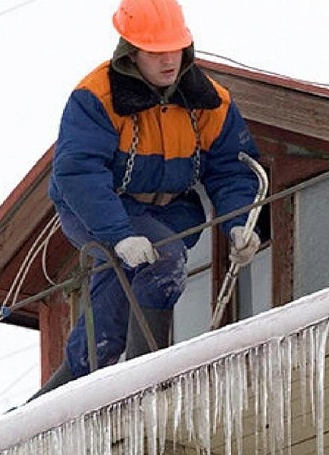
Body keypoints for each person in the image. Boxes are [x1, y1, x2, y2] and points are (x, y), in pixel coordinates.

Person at [29, 0, 261, 401]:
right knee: (162, 259)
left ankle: (38, 414)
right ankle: (145, 382)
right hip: (99, 209)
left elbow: (232, 169)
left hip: (168, 211)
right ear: (131, 50)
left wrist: (239, 223)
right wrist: (118, 234)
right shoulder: (95, 96)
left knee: (103, 337)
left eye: (176, 47)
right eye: (156, 51)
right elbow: (78, 172)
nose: (169, 59)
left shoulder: (211, 102)